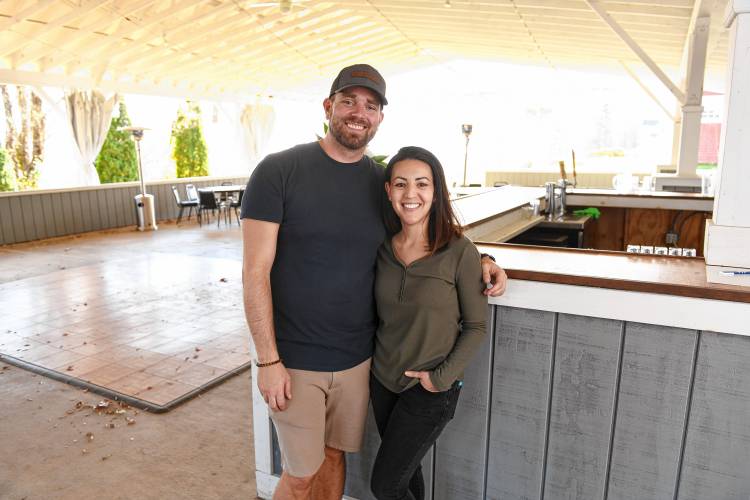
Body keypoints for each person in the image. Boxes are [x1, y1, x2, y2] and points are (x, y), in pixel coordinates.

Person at [240, 64, 507, 500]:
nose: (358, 112)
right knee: (301, 472)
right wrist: (267, 360)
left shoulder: (379, 182)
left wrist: (483, 259)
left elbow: (423, 230)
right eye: (348, 101)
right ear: (329, 106)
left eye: (370, 105)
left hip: (359, 360)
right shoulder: (278, 171)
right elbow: (254, 272)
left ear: (380, 117)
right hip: (295, 358)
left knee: (333, 457)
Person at [369, 146, 486, 500]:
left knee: (385, 485)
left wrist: (439, 380)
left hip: (429, 389)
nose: (411, 194)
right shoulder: (381, 248)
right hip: (383, 381)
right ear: (388, 190)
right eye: (401, 184)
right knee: (406, 474)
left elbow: (477, 326)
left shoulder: (460, 251)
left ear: (436, 192)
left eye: (422, 184)